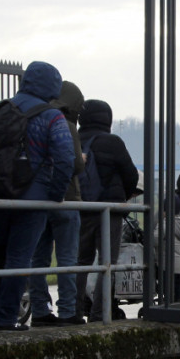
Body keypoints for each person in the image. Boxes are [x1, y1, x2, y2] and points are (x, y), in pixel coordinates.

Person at [0, 61, 72, 332]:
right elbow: (66, 159)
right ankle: (8, 317)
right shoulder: (51, 116)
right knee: (19, 258)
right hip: (32, 199)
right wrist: (53, 195)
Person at [75, 99, 139, 322]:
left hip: (79, 208)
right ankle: (99, 313)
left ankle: (73, 310)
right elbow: (130, 174)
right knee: (106, 263)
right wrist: (127, 191)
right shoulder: (112, 142)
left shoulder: (74, 140)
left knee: (79, 261)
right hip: (109, 211)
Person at [29, 81, 85, 327]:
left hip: (39, 199)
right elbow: (75, 164)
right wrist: (81, 158)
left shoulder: (35, 119)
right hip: (66, 199)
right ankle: (67, 311)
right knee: (67, 259)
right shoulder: (67, 124)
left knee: (38, 259)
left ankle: (40, 310)